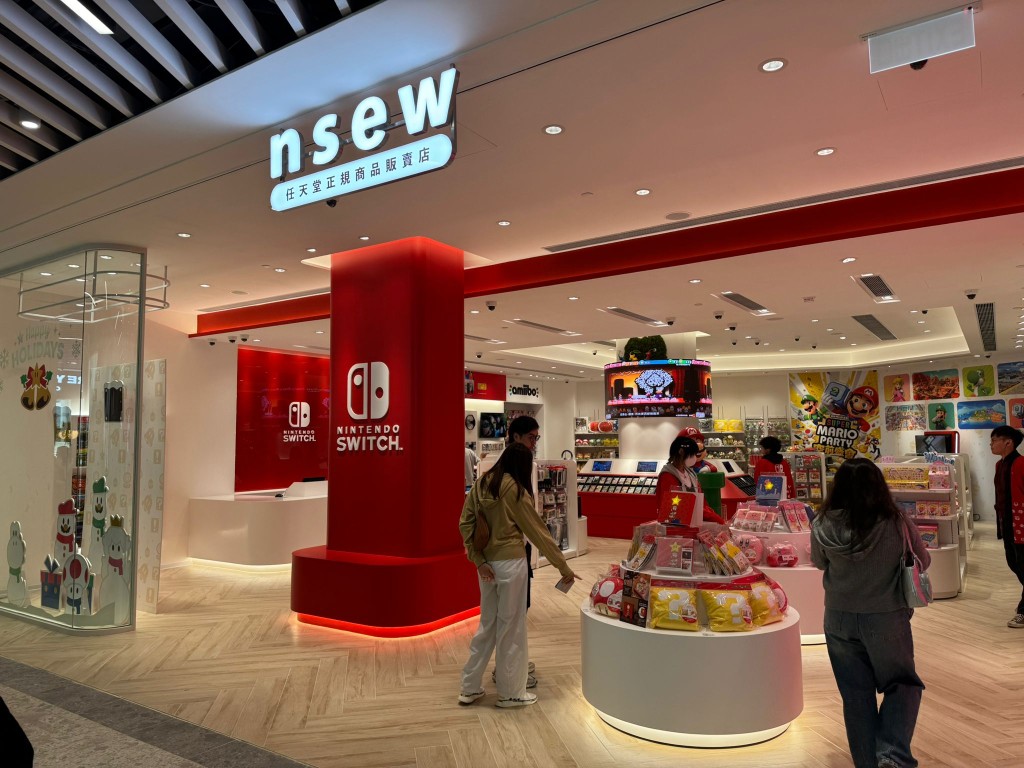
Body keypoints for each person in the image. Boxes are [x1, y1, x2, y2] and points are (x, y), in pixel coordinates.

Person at [811, 458, 930, 768]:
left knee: (855, 695)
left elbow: (820, 562)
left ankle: (867, 763)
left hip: (838, 616)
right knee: (902, 684)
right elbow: (923, 560)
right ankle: (891, 756)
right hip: (886, 615)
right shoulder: (896, 522)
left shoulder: (822, 523)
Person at [457, 442, 577, 708]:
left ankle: (469, 687)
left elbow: (465, 523)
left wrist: (478, 560)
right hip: (511, 563)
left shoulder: (481, 483)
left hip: (486, 565)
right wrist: (563, 566)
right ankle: (511, 693)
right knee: (512, 628)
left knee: (487, 625)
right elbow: (537, 531)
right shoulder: (515, 489)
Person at [990, 425, 1024, 626]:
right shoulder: (999, 465)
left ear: (1008, 442)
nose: (991, 444)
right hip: (1007, 522)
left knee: (1023, 564)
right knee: (1014, 562)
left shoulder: (1021, 463)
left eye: (994, 440)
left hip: (1021, 523)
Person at [654, 436, 725, 524]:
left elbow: (701, 501)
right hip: (677, 524)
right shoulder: (667, 476)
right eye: (692, 454)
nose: (695, 457)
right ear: (681, 452)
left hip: (695, 521)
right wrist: (715, 518)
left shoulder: (690, 473)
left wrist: (711, 514)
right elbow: (673, 508)